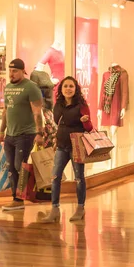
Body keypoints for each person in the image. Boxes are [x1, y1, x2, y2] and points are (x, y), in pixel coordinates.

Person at [40, 77, 93, 223]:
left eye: (71, 86)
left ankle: (80, 208)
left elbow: (89, 127)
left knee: (79, 178)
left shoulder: (81, 105)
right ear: (61, 89)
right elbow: (58, 124)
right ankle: (55, 209)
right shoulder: (58, 105)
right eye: (65, 86)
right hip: (62, 146)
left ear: (76, 89)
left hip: (76, 146)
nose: (68, 89)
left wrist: (85, 121)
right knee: (55, 177)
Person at [0, 59, 44, 211]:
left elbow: (37, 113)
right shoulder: (8, 87)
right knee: (11, 168)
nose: (11, 74)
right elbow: (5, 111)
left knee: (19, 166)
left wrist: (39, 133)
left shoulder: (31, 88)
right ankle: (16, 199)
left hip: (26, 134)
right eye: (10, 71)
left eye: (15, 71)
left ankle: (24, 196)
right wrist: (1, 131)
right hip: (10, 135)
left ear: (23, 71)